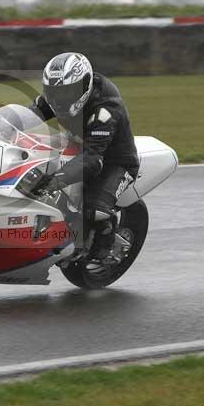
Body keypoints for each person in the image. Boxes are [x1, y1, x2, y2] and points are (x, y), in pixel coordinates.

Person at [28, 52, 140, 260]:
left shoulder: (106, 110)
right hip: (79, 145)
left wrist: (55, 180)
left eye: (67, 92)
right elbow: (29, 116)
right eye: (54, 92)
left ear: (85, 85)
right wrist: (2, 129)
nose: (60, 99)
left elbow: (92, 160)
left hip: (114, 161)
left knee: (95, 210)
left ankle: (104, 245)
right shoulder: (55, 98)